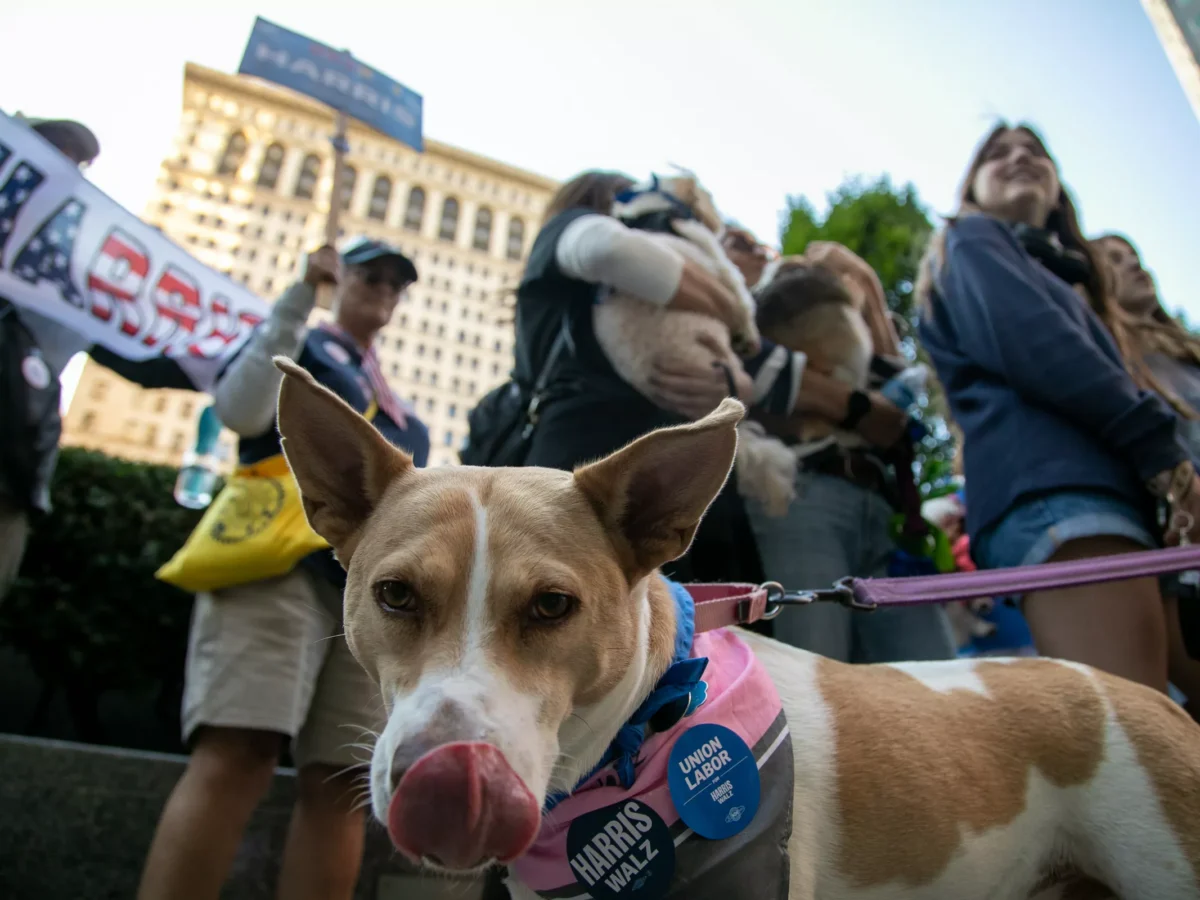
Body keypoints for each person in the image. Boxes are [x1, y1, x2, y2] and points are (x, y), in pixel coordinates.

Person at [138, 239, 429, 900]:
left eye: (395, 281)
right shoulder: (303, 345)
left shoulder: (402, 409)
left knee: (341, 786)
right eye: (369, 273)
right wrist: (300, 297)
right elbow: (238, 410)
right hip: (274, 570)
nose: (383, 287)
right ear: (340, 278)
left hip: (370, 605)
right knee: (238, 753)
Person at [513, 170, 910, 586]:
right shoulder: (581, 233)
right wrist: (732, 308)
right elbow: (608, 251)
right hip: (591, 472)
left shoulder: (708, 326)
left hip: (685, 500)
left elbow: (860, 411)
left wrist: (739, 383)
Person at [916, 123, 1200, 691]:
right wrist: (1163, 455)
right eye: (997, 154)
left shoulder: (1060, 273)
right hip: (1059, 498)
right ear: (971, 186)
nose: (1021, 157)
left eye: (1036, 152)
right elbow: (1041, 345)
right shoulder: (972, 239)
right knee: (1136, 730)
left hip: (1120, 498)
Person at [743, 250, 957, 662]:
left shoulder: (854, 330)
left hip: (882, 508)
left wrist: (869, 289)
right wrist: (861, 409)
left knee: (935, 677)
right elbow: (755, 375)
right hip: (799, 494)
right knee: (813, 667)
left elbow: (895, 407)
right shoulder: (745, 320)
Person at [1095, 232, 1200, 712]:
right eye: (1115, 260)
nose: (1136, 266)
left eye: (1134, 256)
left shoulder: (1187, 353)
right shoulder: (1108, 362)